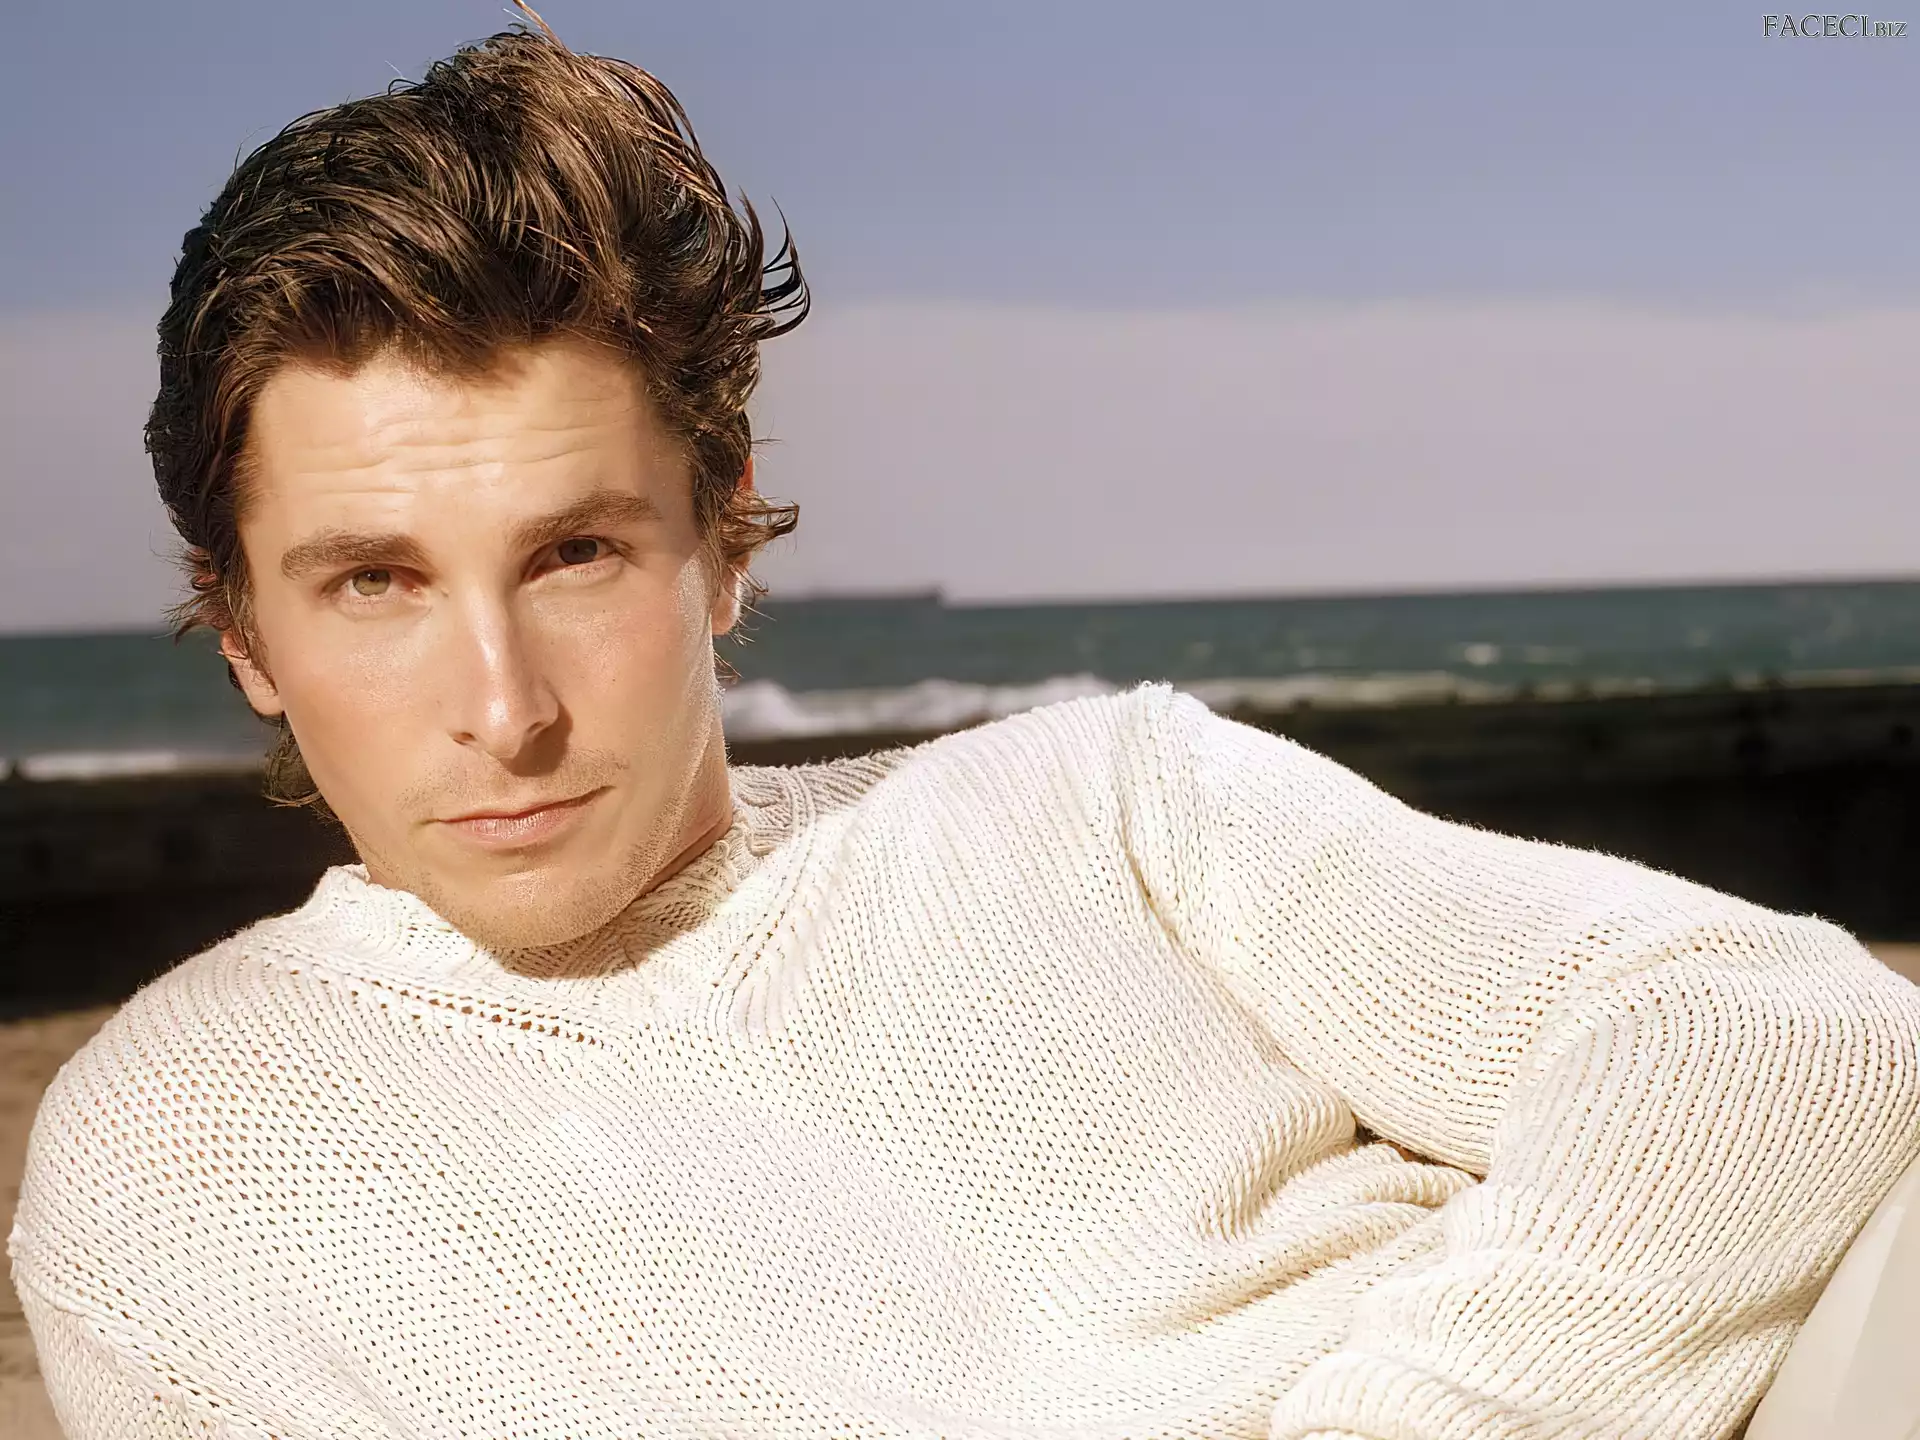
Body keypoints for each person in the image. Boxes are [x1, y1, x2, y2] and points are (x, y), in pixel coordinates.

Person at [10, 18, 1918, 1440]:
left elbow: (1774, 1030)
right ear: (243, 632)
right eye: (375, 584)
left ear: (723, 540)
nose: (503, 712)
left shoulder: (1102, 802)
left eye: (576, 553)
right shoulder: (174, 1159)